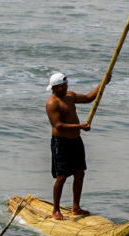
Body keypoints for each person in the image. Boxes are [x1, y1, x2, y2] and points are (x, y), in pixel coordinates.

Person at [45, 71, 109, 220]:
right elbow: (58, 125)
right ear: (55, 88)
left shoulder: (70, 96)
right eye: (63, 87)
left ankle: (76, 208)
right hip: (61, 143)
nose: (66, 89)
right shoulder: (52, 103)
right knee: (61, 177)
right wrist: (80, 126)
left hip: (76, 141)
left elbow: (89, 98)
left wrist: (103, 83)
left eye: (66, 85)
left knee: (80, 173)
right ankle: (55, 210)